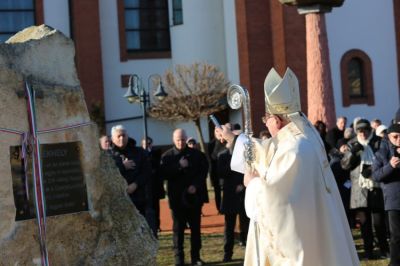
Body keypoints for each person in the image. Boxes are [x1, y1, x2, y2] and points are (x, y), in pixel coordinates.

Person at [216, 67, 359, 265]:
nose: (266, 124)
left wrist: (253, 184)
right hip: (315, 226)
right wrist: (234, 140)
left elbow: (276, 199)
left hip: (300, 238)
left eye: (267, 120)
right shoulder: (304, 134)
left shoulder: (294, 149)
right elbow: (267, 151)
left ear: (276, 119)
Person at [341, 119, 389, 259]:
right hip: (359, 189)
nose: (362, 133)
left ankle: (384, 250)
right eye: (359, 131)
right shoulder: (352, 144)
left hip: (375, 187)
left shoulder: (378, 142)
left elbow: (384, 161)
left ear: (369, 130)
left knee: (379, 223)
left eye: (365, 130)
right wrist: (353, 153)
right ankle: (368, 252)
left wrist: (372, 168)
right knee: (364, 223)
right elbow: (344, 165)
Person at [160, 129, 208, 266]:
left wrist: (195, 185)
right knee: (178, 231)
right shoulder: (167, 157)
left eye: (182, 139)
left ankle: (196, 258)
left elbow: (203, 171)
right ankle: (179, 259)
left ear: (186, 139)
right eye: (178, 139)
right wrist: (179, 166)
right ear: (173, 140)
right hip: (176, 201)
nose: (180, 142)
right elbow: (163, 174)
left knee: (195, 230)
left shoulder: (197, 155)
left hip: (194, 199)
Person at [217, 128, 249, 262]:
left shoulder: (246, 154)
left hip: (243, 194)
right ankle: (227, 254)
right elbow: (220, 173)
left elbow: (249, 170)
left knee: (246, 225)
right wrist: (233, 164)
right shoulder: (223, 155)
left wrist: (243, 184)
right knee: (229, 227)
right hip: (230, 195)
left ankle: (249, 253)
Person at [373, 123, 400, 265]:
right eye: (395, 137)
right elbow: (376, 176)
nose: (399, 140)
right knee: (396, 236)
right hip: (394, 200)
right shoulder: (381, 153)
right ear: (389, 137)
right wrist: (391, 166)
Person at [110, 125, 150, 216]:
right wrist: (122, 167)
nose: (121, 138)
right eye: (118, 136)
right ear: (112, 139)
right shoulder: (107, 156)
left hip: (138, 198)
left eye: (124, 135)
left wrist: (136, 184)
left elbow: (147, 172)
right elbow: (106, 174)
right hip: (117, 199)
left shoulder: (140, 152)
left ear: (128, 136)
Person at [141, 136, 165, 238]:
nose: (147, 145)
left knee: (156, 207)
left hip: (154, 186)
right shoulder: (140, 154)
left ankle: (157, 225)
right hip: (144, 188)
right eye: (145, 144)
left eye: (149, 143)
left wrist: (149, 152)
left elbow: (156, 163)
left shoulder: (156, 152)